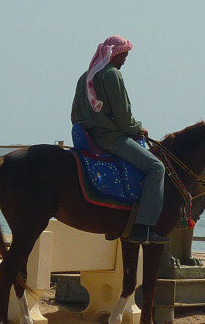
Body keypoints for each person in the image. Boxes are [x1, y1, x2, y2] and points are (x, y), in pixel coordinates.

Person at [71, 35, 169, 245]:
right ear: (113, 54)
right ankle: (143, 227)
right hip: (111, 138)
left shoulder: (85, 77)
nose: (125, 59)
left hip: (88, 139)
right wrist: (138, 128)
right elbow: (124, 117)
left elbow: (75, 114)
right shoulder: (112, 75)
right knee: (156, 168)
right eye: (123, 55)